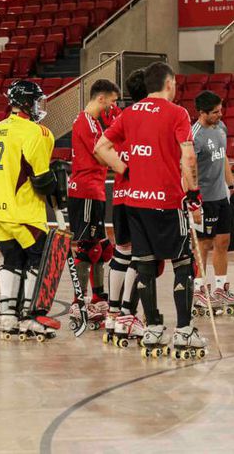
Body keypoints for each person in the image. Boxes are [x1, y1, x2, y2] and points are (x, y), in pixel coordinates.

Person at [94, 61, 207, 357]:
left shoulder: (129, 113)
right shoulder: (177, 113)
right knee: (183, 263)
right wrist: (193, 192)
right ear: (169, 84)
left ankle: (154, 327)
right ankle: (183, 332)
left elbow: (101, 147)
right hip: (168, 202)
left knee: (143, 264)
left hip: (135, 202)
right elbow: (189, 156)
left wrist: (125, 169)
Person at [0, 80, 61, 339]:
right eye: (37, 100)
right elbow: (41, 179)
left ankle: (8, 317)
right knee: (37, 260)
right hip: (24, 211)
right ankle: (32, 317)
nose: (40, 106)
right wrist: (57, 181)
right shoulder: (37, 133)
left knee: (11, 260)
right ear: (28, 103)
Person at [67, 79, 120, 329]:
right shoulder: (86, 122)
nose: (113, 105)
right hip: (86, 190)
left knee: (102, 248)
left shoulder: (94, 122)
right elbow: (100, 153)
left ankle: (98, 298)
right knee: (88, 248)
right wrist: (123, 164)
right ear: (102, 98)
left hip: (95, 189)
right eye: (112, 100)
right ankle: (79, 302)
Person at [190, 90, 234, 315]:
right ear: (202, 113)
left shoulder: (221, 128)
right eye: (214, 112)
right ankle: (198, 290)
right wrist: (193, 201)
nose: (220, 115)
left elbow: (223, 161)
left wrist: (232, 186)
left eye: (220, 110)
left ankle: (220, 289)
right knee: (203, 244)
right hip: (204, 199)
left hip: (221, 196)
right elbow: (189, 169)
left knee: (223, 241)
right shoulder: (195, 135)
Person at [105, 69, 148, 345]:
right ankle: (126, 314)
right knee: (140, 257)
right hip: (140, 197)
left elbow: (103, 148)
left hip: (119, 195)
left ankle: (112, 313)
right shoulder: (147, 118)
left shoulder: (122, 118)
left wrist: (122, 169)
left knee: (121, 253)